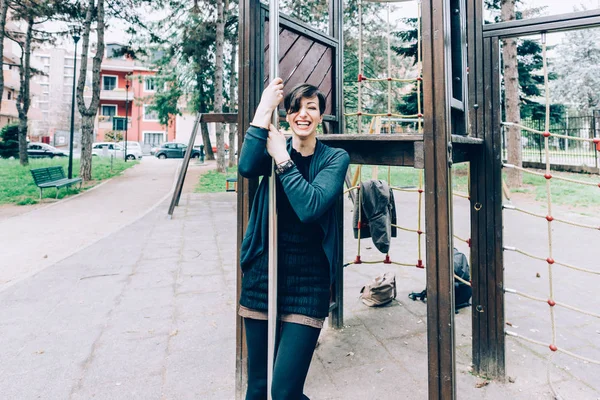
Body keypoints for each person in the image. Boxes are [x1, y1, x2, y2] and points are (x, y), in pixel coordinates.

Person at [238, 77, 350, 400]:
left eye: (311, 108)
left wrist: (283, 159)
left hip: (308, 282)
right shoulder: (275, 149)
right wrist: (263, 109)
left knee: (285, 391)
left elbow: (310, 207)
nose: (303, 114)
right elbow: (246, 167)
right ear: (287, 116)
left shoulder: (335, 158)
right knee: (258, 387)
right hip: (264, 273)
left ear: (320, 117)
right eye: (296, 109)